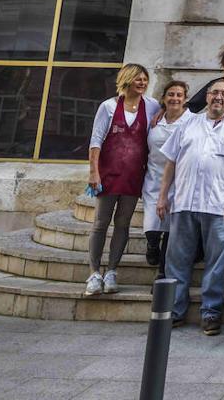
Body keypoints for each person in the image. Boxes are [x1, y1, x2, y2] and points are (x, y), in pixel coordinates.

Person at [157, 78, 224, 334]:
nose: (218, 97)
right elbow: (170, 162)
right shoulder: (188, 123)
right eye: (214, 92)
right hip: (184, 202)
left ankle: (211, 312)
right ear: (207, 96)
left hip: (220, 205)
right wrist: (162, 196)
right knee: (176, 261)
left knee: (216, 262)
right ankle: (175, 310)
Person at [85, 63, 160, 296]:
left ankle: (112, 271)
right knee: (100, 223)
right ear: (126, 80)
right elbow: (96, 141)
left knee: (123, 223)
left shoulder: (152, 106)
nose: (142, 83)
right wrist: (93, 172)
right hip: (108, 175)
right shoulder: (108, 107)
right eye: (138, 79)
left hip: (133, 176)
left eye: (145, 79)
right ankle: (94, 272)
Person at [143, 80, 191, 278]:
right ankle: (152, 245)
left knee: (172, 232)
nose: (175, 98)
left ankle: (162, 273)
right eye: (171, 94)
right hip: (154, 179)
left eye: (179, 95)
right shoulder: (154, 120)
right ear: (163, 98)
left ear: (185, 99)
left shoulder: (192, 121)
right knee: (152, 227)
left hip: (179, 183)